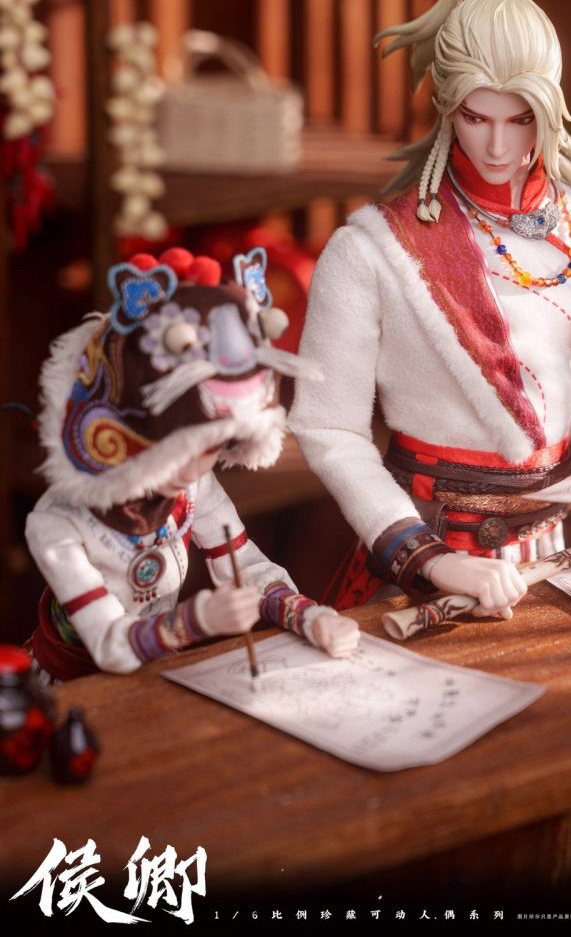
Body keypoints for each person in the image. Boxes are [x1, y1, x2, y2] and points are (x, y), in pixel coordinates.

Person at [289, 0, 571, 619]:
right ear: (445, 107)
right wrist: (427, 558)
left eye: (520, 120)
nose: (497, 146)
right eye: (476, 117)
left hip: (552, 553)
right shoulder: (370, 248)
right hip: (426, 554)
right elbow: (328, 429)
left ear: (551, 110)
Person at [25, 245, 360, 683]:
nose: (198, 466)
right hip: (69, 690)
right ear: (125, 433)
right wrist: (196, 620)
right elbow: (108, 643)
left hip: (156, 678)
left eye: (214, 446)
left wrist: (308, 617)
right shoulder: (56, 523)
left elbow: (246, 568)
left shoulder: (194, 486)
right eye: (179, 447)